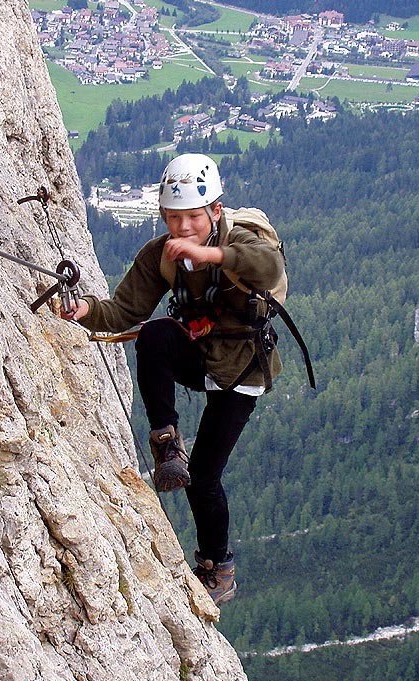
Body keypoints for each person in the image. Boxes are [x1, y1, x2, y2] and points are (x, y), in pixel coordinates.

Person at [61, 153, 285, 605]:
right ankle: (166, 443)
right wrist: (85, 311)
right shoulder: (161, 256)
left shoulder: (240, 242)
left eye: (192, 218)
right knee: (156, 336)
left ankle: (217, 567)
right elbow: (125, 310)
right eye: (173, 218)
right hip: (203, 356)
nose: (182, 228)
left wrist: (213, 254)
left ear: (215, 212)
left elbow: (268, 267)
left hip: (243, 370)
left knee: (205, 477)